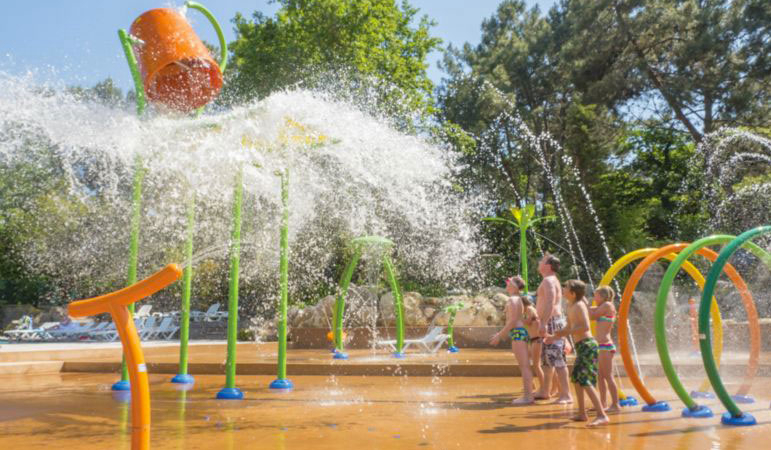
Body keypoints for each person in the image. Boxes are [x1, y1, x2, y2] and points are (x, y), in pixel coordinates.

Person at [546, 280, 608, 427]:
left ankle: (602, 415)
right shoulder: (569, 305)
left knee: (584, 380)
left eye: (565, 287)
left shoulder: (580, 305)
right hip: (581, 346)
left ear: (573, 293)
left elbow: (585, 326)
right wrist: (555, 336)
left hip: (588, 345)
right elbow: (568, 326)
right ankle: (581, 413)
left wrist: (565, 332)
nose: (563, 289)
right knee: (576, 379)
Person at [490, 276, 538, 405]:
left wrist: (500, 335)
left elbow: (512, 321)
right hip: (520, 332)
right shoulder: (517, 299)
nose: (507, 283)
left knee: (524, 366)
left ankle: (528, 397)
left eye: (509, 282)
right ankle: (529, 392)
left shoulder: (513, 299)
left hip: (517, 333)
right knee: (524, 365)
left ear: (515, 286)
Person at [533, 253, 571, 403]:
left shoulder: (549, 280)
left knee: (557, 360)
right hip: (551, 321)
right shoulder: (550, 280)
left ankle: (566, 395)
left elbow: (550, 302)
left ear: (547, 266)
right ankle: (545, 391)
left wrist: (543, 322)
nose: (539, 262)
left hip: (551, 323)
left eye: (541, 261)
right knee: (548, 361)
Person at [589, 285, 620, 412]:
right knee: (600, 377)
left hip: (605, 346)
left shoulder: (607, 305)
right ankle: (602, 403)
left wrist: (584, 305)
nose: (594, 298)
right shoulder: (603, 306)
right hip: (601, 346)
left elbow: (592, 315)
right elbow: (592, 312)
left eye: (595, 296)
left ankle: (616, 404)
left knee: (608, 376)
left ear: (602, 296)